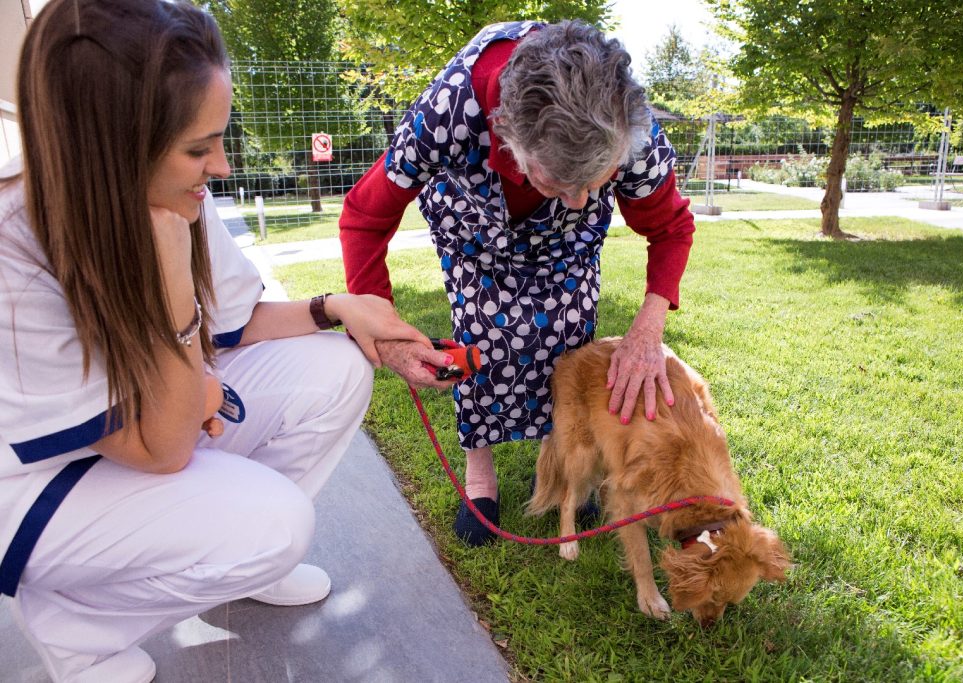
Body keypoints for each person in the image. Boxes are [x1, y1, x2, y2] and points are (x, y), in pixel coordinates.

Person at [0, 1, 445, 681]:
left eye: (219, 138)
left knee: (337, 367)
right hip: (43, 483)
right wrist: (177, 299)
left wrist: (341, 308)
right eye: (198, 148)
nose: (224, 167)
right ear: (110, 148)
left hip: (140, 425)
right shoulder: (15, 258)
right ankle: (78, 629)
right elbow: (163, 446)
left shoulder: (169, 195)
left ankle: (233, 562)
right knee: (274, 525)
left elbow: (236, 321)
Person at [338, 20, 696, 546]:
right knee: (480, 338)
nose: (577, 200)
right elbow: (364, 216)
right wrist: (384, 329)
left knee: (569, 340)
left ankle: (558, 465)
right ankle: (480, 477)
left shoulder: (630, 128)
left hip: (565, 248)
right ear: (508, 132)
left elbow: (670, 227)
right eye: (558, 182)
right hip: (474, 228)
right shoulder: (451, 109)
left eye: (592, 185)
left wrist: (648, 331)